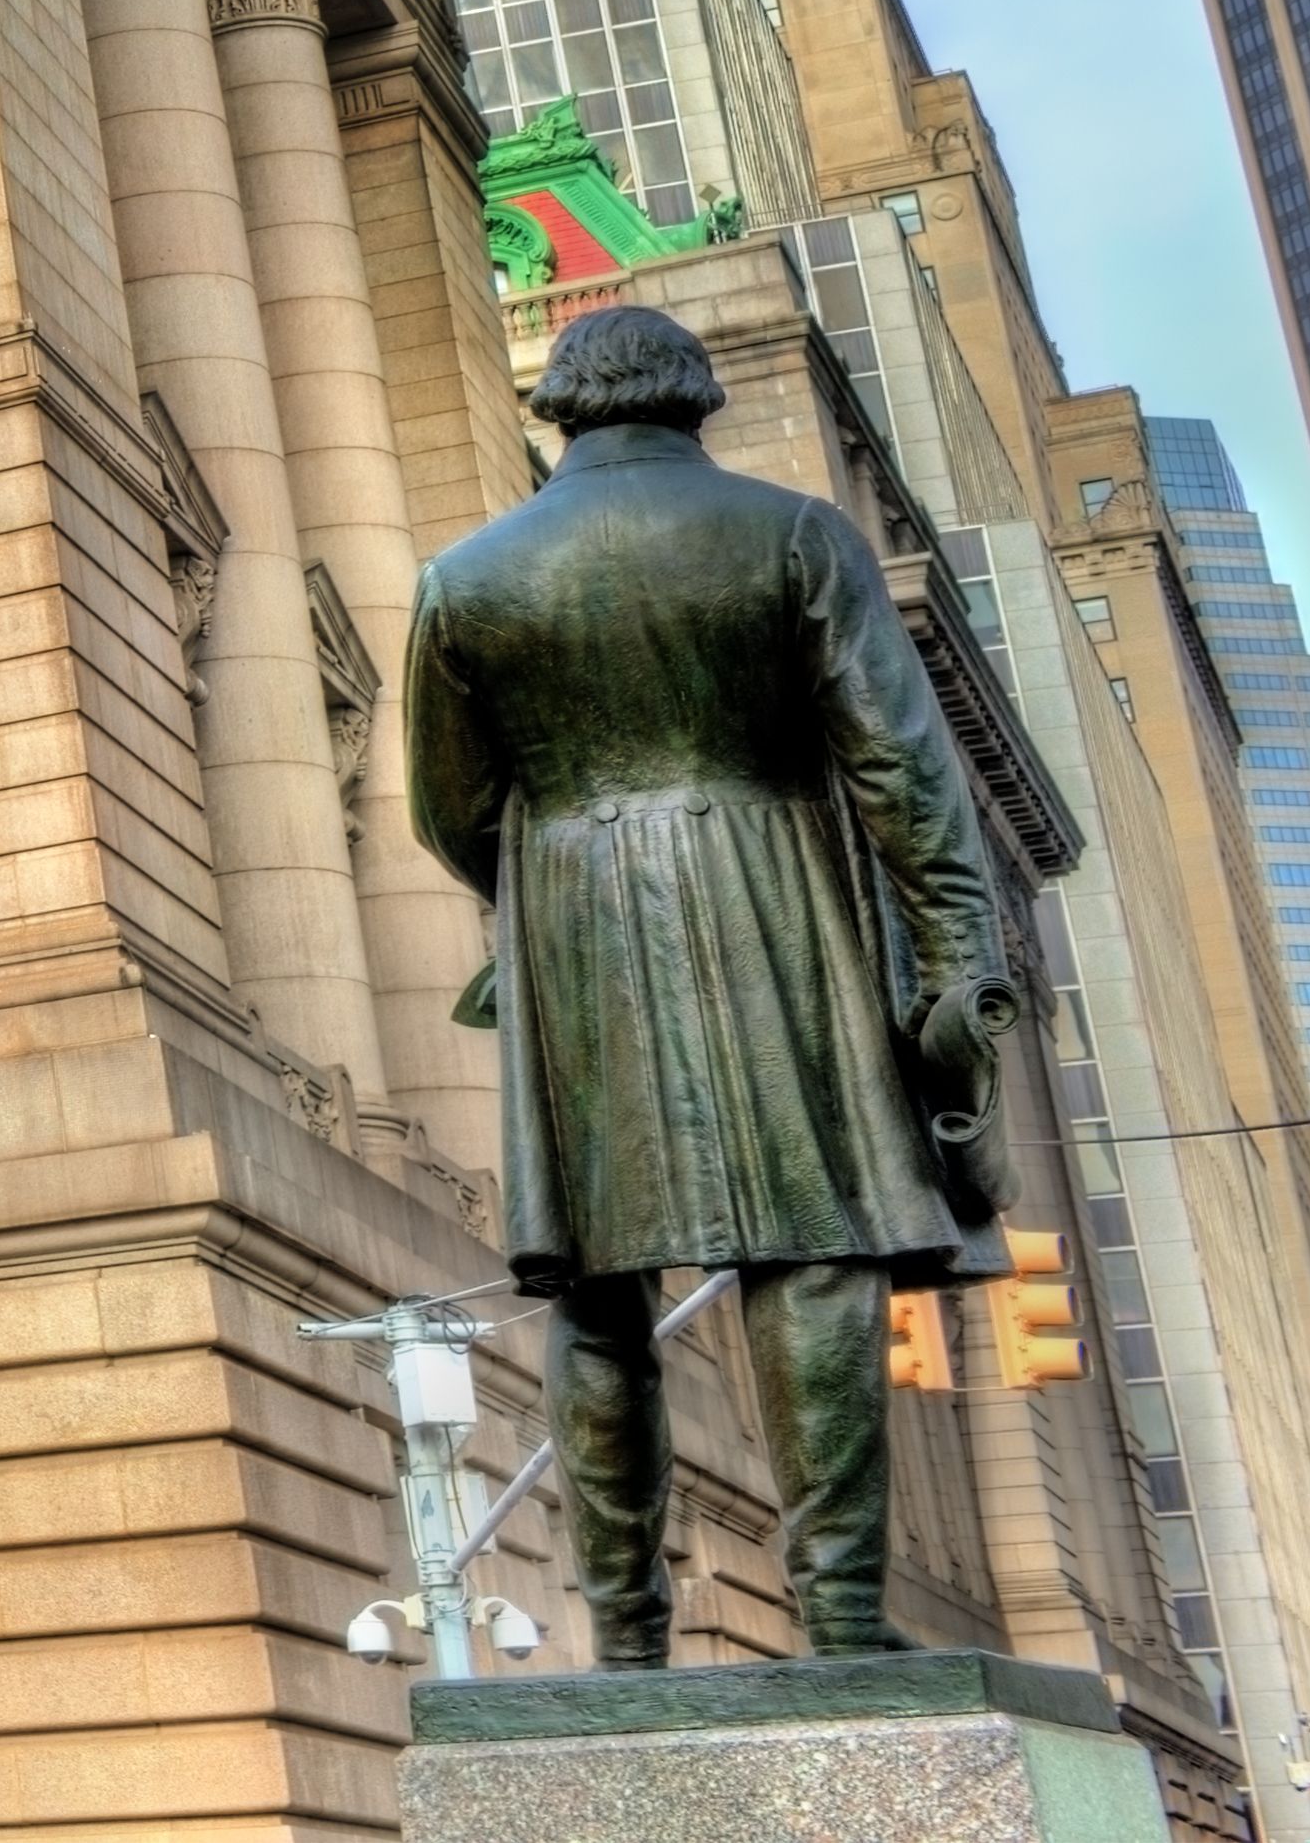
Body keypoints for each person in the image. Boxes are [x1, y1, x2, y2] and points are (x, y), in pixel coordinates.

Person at [399, 301, 1016, 1658]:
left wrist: (553, 874)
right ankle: (844, 1614)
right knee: (812, 1250)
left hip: (570, 923)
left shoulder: (464, 580)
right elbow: (906, 774)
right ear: (695, 398)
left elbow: (450, 807)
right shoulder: (795, 536)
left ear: (563, 403)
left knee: (597, 1286)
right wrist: (961, 951)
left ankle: (625, 1633)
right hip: (775, 901)